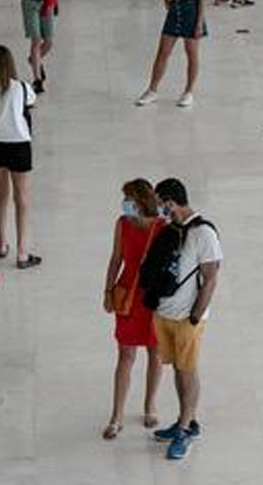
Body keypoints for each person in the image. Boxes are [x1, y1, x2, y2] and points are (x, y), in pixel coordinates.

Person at [149, 178, 222, 461]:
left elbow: (211, 277)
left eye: (161, 203)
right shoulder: (172, 230)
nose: (159, 209)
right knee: (178, 369)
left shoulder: (204, 233)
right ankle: (185, 420)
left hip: (187, 318)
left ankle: (184, 430)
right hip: (165, 313)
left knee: (188, 370)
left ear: (170, 201)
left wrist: (194, 317)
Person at [101, 179, 167, 440]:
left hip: (153, 297)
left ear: (140, 202)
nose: (125, 204)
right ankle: (116, 415)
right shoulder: (122, 224)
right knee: (125, 356)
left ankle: (150, 405)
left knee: (155, 352)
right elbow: (116, 258)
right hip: (127, 295)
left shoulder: (162, 227)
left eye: (129, 199)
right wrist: (107, 290)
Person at [0, 45, 42, 269]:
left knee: (1, 194)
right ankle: (22, 253)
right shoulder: (23, 88)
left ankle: (2, 243)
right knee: (22, 199)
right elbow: (32, 103)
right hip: (19, 146)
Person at [135, 0, 207, 108]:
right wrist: (166, 0)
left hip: (191, 11)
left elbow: (202, 0)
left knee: (191, 53)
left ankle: (188, 92)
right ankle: (152, 90)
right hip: (175, 11)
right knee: (163, 52)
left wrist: (199, 23)